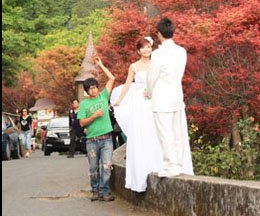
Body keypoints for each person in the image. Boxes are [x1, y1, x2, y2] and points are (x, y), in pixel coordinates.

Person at [110, 37, 164, 192]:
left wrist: (153, 91)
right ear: (138, 50)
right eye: (143, 48)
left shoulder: (156, 64)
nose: (147, 50)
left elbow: (160, 82)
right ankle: (141, 171)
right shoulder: (134, 66)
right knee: (141, 133)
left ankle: (157, 165)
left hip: (153, 99)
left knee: (155, 132)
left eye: (149, 47)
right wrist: (119, 100)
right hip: (140, 102)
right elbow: (127, 85)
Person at [146, 17, 194, 178]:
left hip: (161, 98)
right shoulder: (181, 52)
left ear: (159, 33)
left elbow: (151, 77)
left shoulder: (158, 54)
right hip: (176, 96)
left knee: (165, 134)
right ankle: (178, 163)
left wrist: (149, 92)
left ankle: (170, 165)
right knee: (177, 132)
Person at [78, 57, 116, 202]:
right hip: (92, 141)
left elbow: (112, 78)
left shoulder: (103, 97)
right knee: (94, 169)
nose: (94, 89)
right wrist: (94, 116)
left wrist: (101, 65)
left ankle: (104, 191)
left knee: (107, 166)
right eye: (91, 88)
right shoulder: (84, 104)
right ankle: (95, 190)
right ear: (87, 91)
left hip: (106, 139)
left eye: (95, 86)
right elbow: (82, 123)